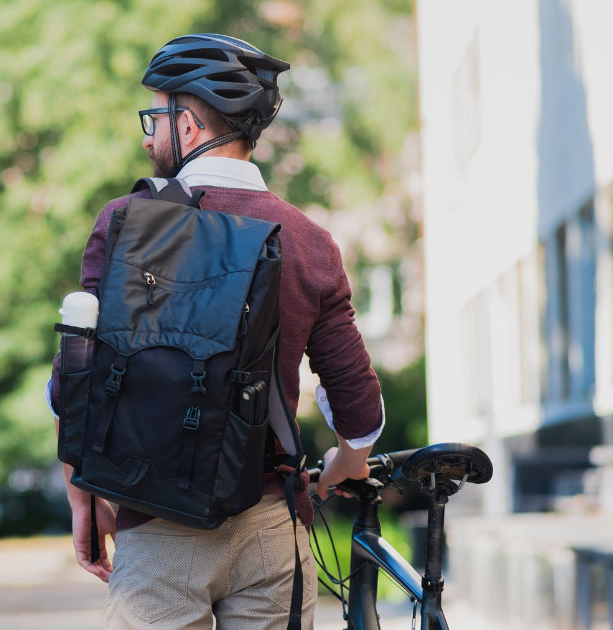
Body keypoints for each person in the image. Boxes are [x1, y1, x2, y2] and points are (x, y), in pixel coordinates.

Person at [46, 33, 385, 629]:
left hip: (156, 528)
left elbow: (74, 381)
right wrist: (348, 463)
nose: (150, 134)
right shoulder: (308, 241)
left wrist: (84, 494)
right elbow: (357, 403)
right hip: (270, 532)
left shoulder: (128, 223)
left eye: (157, 117)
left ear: (191, 127)